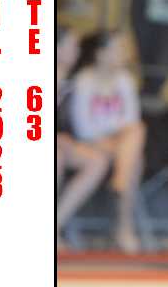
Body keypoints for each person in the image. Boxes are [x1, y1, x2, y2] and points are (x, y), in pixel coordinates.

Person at [56, 31, 147, 253]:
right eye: (118, 49)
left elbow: (131, 119)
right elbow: (82, 127)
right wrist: (111, 139)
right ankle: (122, 216)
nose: (123, 54)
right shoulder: (82, 80)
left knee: (135, 138)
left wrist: (115, 140)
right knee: (129, 155)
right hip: (88, 141)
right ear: (100, 54)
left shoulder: (124, 80)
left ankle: (123, 225)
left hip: (116, 142)